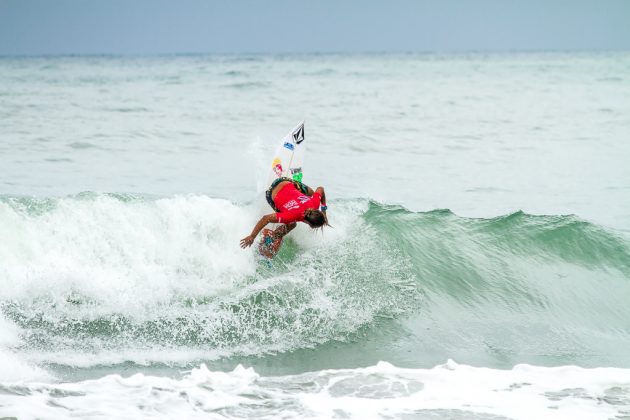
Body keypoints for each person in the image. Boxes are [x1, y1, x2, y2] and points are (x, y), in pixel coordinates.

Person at [240, 177, 328, 248]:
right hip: (271, 192)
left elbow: (320, 189)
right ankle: (273, 236)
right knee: (291, 225)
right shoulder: (291, 216)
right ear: (308, 223)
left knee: (312, 193)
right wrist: (252, 236)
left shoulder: (314, 204)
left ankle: (297, 193)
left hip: (286, 181)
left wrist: (324, 211)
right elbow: (265, 218)